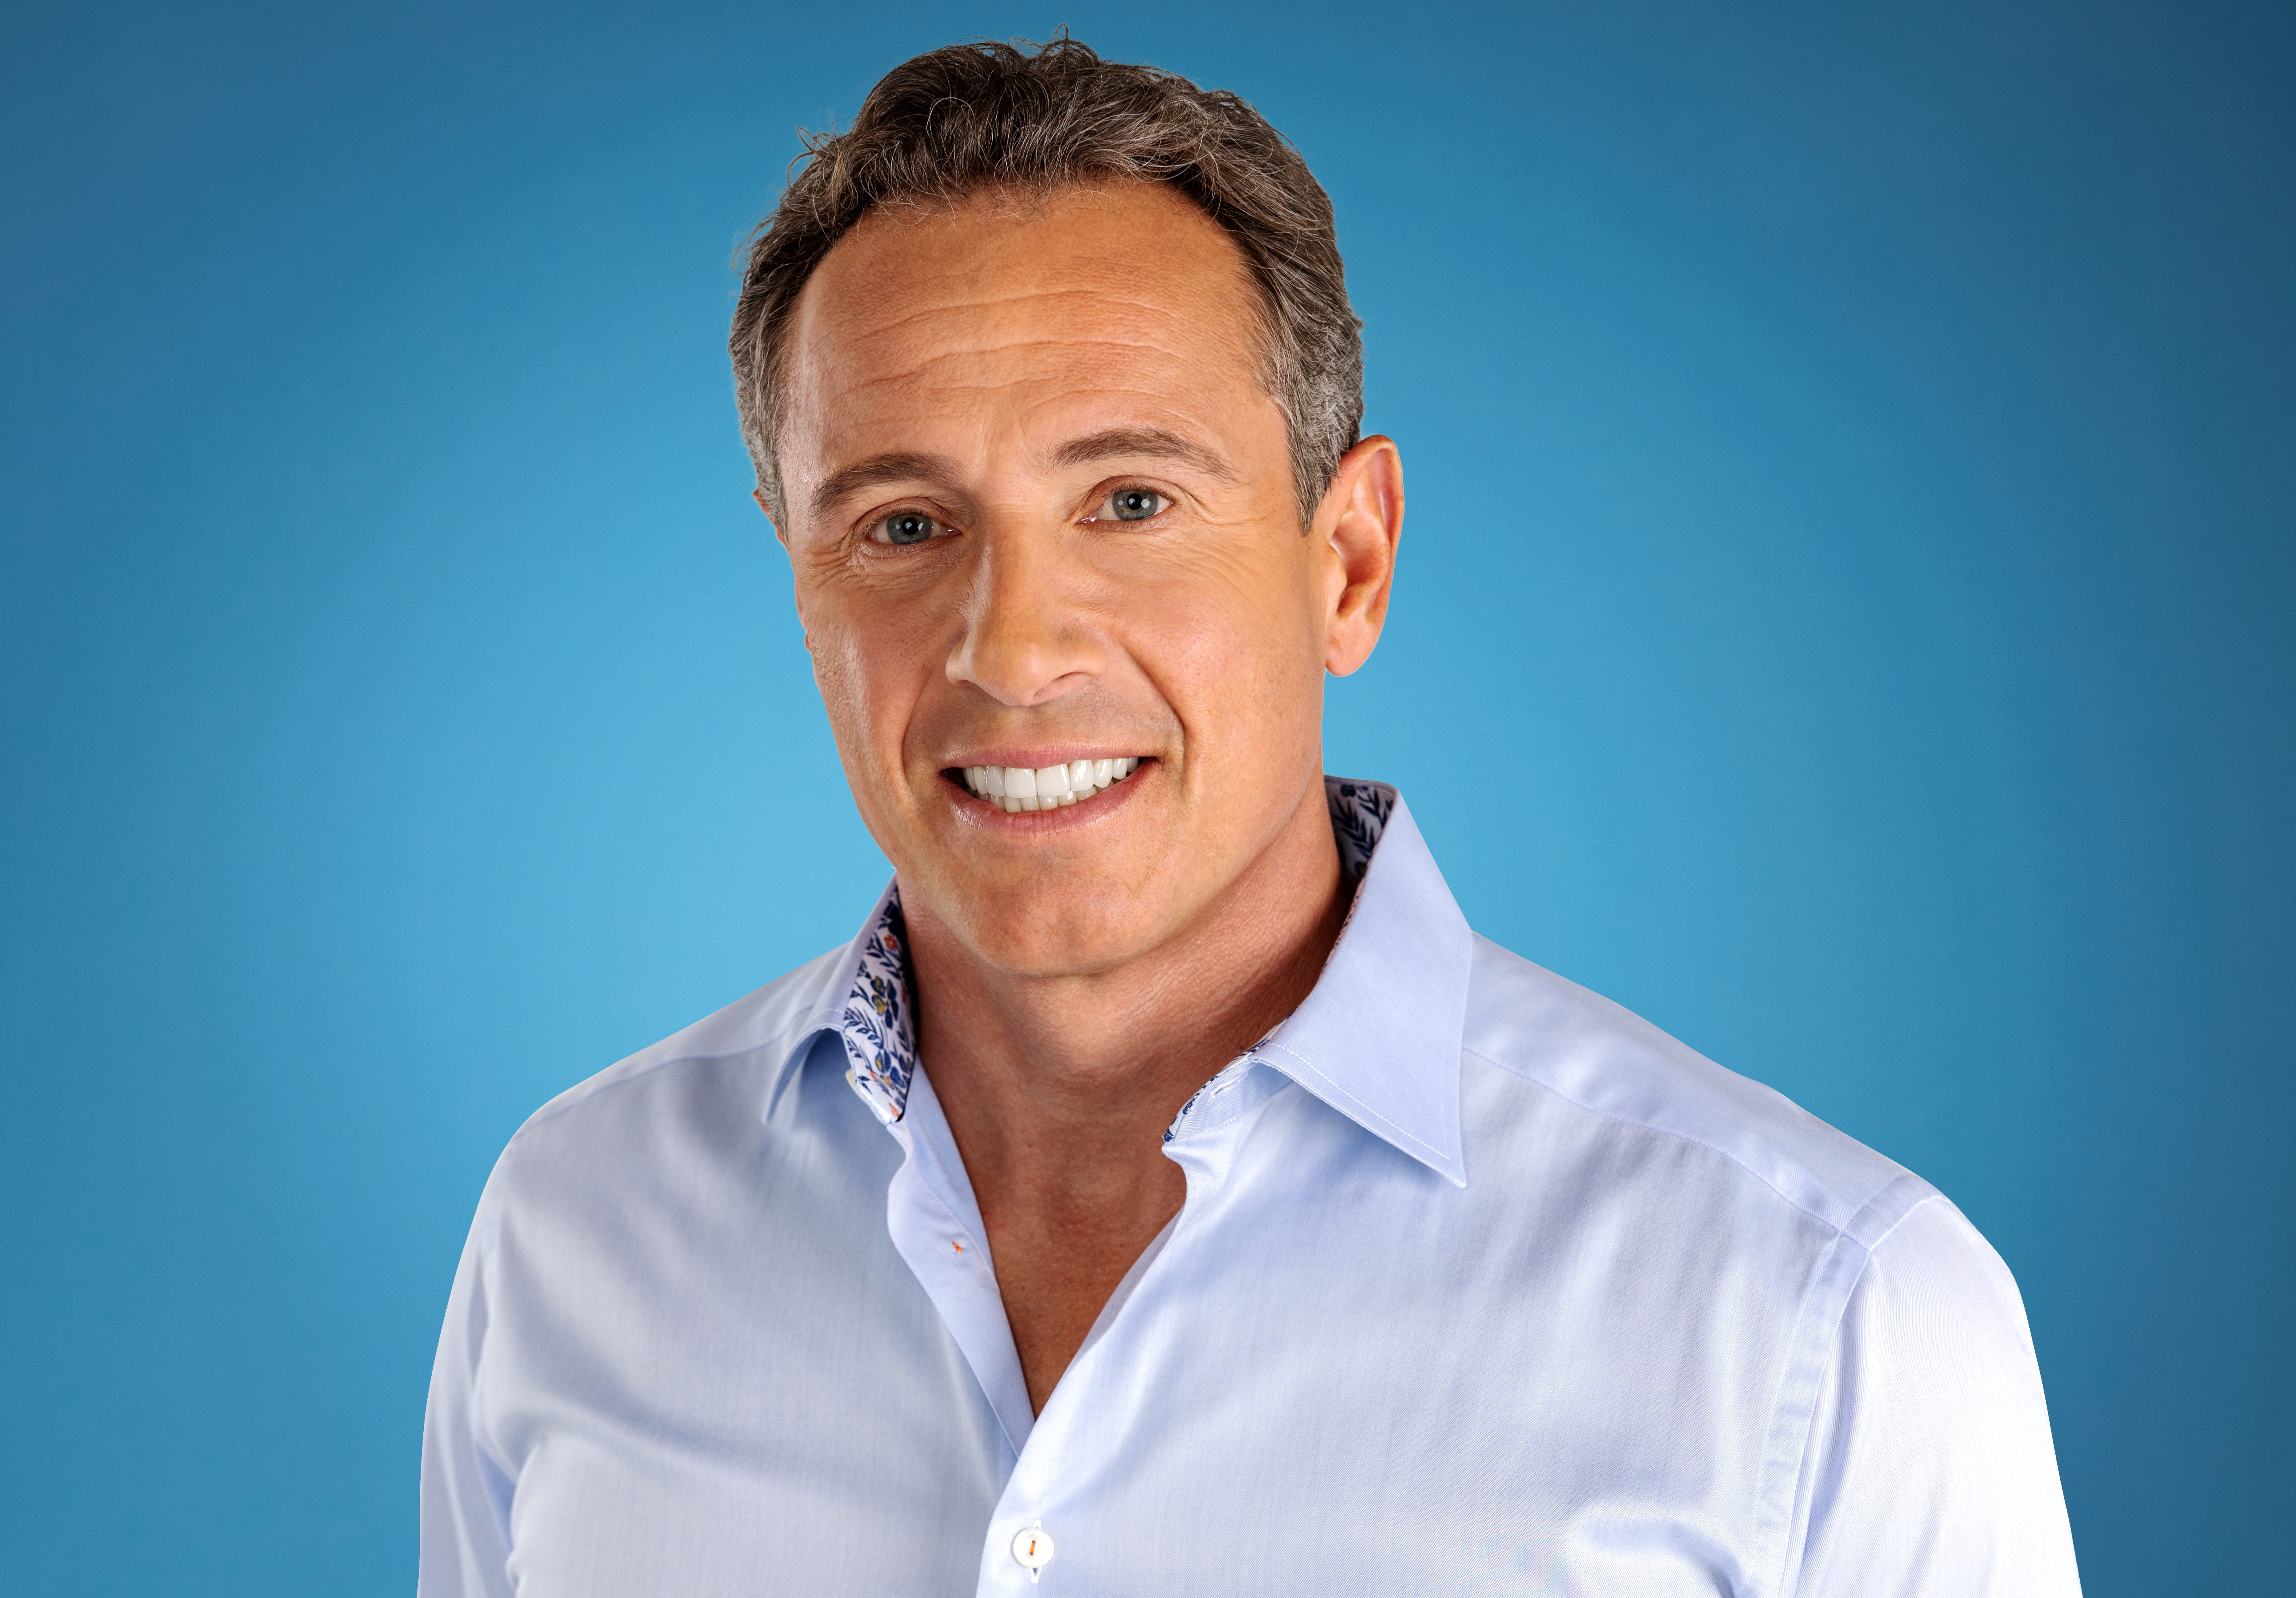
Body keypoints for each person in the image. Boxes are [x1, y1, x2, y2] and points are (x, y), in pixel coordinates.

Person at [419, 37, 2081, 1597]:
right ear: (802, 589)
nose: (1013, 652)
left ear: (1347, 563)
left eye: (1132, 500)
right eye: (905, 525)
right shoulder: (573, 1227)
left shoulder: (1828, 1314)